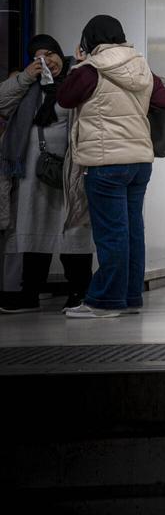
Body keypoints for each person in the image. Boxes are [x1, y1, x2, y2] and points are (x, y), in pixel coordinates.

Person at [56, 15, 165, 318]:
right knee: (132, 231)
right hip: (139, 162)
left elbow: (65, 98)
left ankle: (104, 301)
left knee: (112, 234)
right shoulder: (141, 66)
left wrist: (79, 63)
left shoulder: (91, 69)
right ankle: (130, 296)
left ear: (89, 40)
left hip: (107, 161)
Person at [0, 36, 93, 313]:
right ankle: (30, 293)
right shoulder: (27, 86)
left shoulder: (77, 76)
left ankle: (79, 291)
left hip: (69, 169)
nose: (47, 61)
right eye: (39, 57)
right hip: (31, 172)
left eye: (51, 53)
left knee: (72, 227)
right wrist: (25, 78)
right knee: (33, 228)